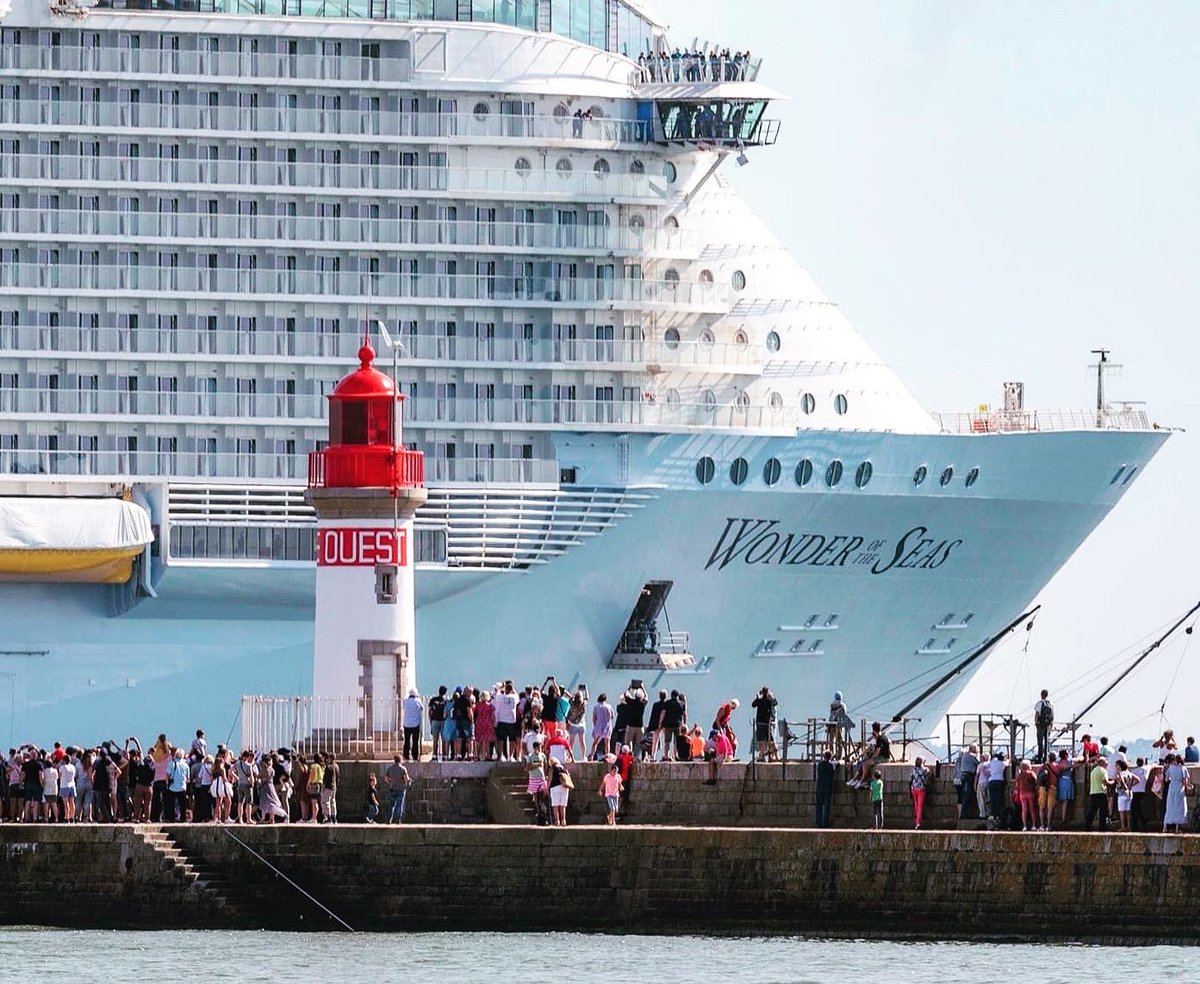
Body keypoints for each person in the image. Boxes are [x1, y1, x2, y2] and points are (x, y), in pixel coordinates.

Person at [1163, 753, 1191, 833]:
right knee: (1179, 807)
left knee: (1170, 807)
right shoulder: (1183, 768)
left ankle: (1165, 826)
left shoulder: (1171, 768)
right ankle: (1177, 828)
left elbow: (1166, 779)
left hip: (1172, 787)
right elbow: (1185, 781)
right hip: (1180, 788)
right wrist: (1188, 787)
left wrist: (1173, 779)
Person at [525, 735, 549, 825]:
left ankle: (542, 807)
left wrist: (546, 775)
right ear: (535, 747)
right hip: (533, 777)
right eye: (538, 747)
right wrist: (537, 765)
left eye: (540, 747)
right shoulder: (530, 756)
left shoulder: (543, 755)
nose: (539, 749)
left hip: (541, 777)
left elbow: (545, 765)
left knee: (544, 793)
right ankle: (538, 810)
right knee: (535, 794)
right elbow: (528, 767)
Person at [494, 681, 519, 762]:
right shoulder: (514, 697)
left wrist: (502, 687)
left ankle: (501, 756)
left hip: (502, 720)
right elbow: (517, 695)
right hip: (511, 721)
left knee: (501, 739)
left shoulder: (500, 697)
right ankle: (511, 756)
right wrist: (512, 687)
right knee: (512, 739)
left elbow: (497, 693)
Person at [1085, 757, 1111, 832]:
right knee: (1103, 812)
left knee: (1092, 811)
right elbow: (1106, 782)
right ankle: (1102, 829)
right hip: (1101, 792)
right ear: (1102, 762)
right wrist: (1113, 781)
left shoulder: (1093, 771)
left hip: (1093, 792)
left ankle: (1087, 827)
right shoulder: (1103, 771)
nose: (1107, 763)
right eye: (1106, 762)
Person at [751, 687, 777, 763]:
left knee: (768, 740)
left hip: (764, 722)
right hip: (763, 722)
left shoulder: (768, 700)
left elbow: (775, 703)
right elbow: (753, 705)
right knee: (764, 740)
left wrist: (758, 697)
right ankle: (764, 756)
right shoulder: (763, 700)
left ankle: (772, 755)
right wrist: (758, 698)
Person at [385, 755, 411, 824]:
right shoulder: (403, 769)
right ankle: (397, 820)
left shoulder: (390, 768)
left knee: (391, 805)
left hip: (392, 788)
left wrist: (390, 782)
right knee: (399, 805)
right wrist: (407, 783)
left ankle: (389, 820)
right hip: (401, 789)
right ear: (400, 760)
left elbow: (386, 779)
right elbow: (406, 778)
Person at [623, 685, 648, 758]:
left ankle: (629, 756)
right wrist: (643, 687)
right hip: (639, 726)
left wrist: (629, 687)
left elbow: (625, 694)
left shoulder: (630, 702)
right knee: (641, 742)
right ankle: (644, 756)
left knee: (628, 742)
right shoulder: (642, 704)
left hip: (630, 725)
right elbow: (647, 698)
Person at [957, 744, 979, 820]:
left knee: (965, 795)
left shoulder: (965, 756)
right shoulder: (971, 757)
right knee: (967, 796)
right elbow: (978, 763)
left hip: (963, 775)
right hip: (969, 776)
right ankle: (964, 815)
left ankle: (964, 814)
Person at [1035, 755, 1058, 831]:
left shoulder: (1043, 766)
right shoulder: (1056, 766)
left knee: (1041, 808)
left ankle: (1042, 826)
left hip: (1043, 787)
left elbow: (1038, 776)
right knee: (1050, 808)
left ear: (1048, 758)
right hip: (1052, 787)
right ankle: (1048, 826)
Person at [1113, 760, 1137, 831]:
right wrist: (1130, 786)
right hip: (1129, 793)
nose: (1115, 766)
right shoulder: (1129, 773)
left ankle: (1123, 827)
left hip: (1122, 793)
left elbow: (1121, 778)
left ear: (1120, 766)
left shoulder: (1120, 773)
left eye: (1116, 765)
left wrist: (1123, 785)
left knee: (1121, 811)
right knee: (1128, 811)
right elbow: (1138, 779)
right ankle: (1129, 826)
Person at [548, 757, 572, 827]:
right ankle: (563, 821)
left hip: (555, 788)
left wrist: (547, 788)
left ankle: (557, 821)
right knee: (563, 806)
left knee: (555, 806)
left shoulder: (552, 769)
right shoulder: (563, 768)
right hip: (565, 787)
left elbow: (550, 779)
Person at [1014, 759, 1037, 832]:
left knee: (1024, 810)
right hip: (1030, 793)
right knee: (1032, 810)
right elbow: (1036, 781)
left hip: (1022, 794)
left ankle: (1024, 826)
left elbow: (1017, 784)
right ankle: (1034, 825)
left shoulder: (1019, 775)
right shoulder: (1031, 773)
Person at [986, 752, 1008, 827]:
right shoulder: (1002, 763)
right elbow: (1008, 763)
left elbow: (987, 765)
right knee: (999, 799)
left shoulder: (992, 762)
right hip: (999, 781)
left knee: (992, 799)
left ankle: (992, 814)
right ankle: (998, 814)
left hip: (991, 781)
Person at [814, 750, 835, 828]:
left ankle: (818, 822)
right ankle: (825, 823)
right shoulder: (831, 766)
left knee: (818, 805)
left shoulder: (820, 764)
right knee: (826, 806)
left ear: (824, 756)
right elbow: (832, 774)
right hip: (828, 787)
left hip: (819, 786)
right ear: (830, 757)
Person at [401, 689, 423, 762]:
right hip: (415, 724)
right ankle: (415, 757)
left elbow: (404, 707)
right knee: (415, 741)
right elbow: (422, 708)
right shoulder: (418, 701)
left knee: (406, 741)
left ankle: (406, 756)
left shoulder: (405, 701)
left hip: (407, 724)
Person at [566, 688, 588, 760]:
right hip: (581, 725)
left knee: (571, 742)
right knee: (582, 741)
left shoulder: (572, 703)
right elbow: (587, 698)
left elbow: (570, 698)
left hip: (573, 724)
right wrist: (586, 690)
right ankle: (583, 756)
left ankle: (569, 757)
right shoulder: (583, 704)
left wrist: (570, 695)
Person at [428, 686, 449, 762]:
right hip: (443, 721)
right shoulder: (446, 701)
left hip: (435, 720)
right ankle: (444, 755)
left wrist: (430, 720)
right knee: (444, 739)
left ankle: (434, 755)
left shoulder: (433, 700)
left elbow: (430, 711)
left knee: (435, 739)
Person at [591, 693, 614, 758]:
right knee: (607, 742)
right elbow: (612, 716)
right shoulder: (609, 706)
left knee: (595, 742)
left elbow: (594, 718)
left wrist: (595, 725)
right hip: (607, 725)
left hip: (599, 725)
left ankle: (592, 755)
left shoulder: (596, 707)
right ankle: (607, 756)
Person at [1056, 749, 1075, 824]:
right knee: (1065, 800)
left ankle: (1063, 816)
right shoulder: (1068, 762)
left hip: (1061, 781)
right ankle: (1064, 817)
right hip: (1067, 781)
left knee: (1063, 800)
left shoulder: (1058, 762)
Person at [321, 753, 339, 824]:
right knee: (333, 801)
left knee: (326, 802)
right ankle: (334, 817)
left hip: (328, 786)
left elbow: (325, 778)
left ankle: (328, 818)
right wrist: (336, 785)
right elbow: (338, 777)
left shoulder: (328, 767)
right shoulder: (337, 766)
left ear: (330, 758)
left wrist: (323, 787)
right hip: (334, 786)